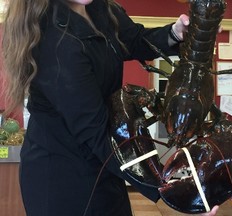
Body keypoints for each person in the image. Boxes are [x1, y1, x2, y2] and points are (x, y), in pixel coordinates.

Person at [2, 0, 219, 215]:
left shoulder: (102, 9)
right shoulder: (56, 41)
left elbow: (134, 40)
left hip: (106, 162)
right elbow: (95, 130)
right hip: (63, 175)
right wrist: (167, 196)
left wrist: (175, 33)